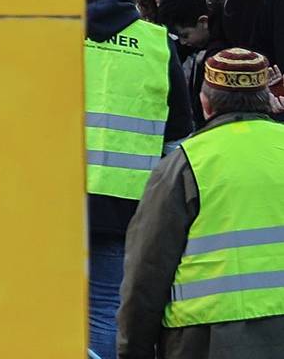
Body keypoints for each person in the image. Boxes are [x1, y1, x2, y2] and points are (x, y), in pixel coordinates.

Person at [119, 47, 284, 358]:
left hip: (205, 339)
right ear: (267, 99)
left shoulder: (183, 165)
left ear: (205, 103)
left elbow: (146, 271)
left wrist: (133, 350)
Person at [93, 0, 175, 358]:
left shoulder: (51, 32)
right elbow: (179, 139)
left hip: (48, 204)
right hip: (123, 207)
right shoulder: (158, 45)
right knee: (106, 311)